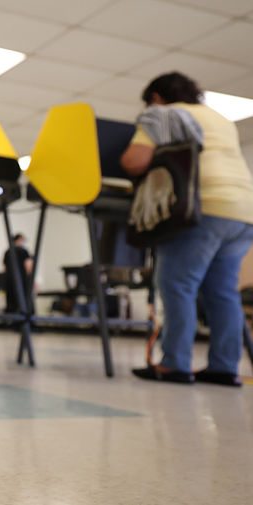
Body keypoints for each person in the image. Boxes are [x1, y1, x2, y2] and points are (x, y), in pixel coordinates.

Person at [121, 72, 253, 386]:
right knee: (222, 291)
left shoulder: (162, 114)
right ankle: (224, 367)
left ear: (155, 97)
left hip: (201, 208)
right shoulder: (220, 118)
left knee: (177, 285)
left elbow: (135, 161)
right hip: (244, 211)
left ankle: (175, 364)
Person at [3, 233, 34, 316]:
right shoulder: (23, 251)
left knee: (11, 303)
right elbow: (28, 266)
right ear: (19, 240)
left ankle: (12, 320)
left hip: (10, 281)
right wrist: (33, 280)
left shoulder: (7, 252)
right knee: (24, 302)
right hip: (22, 281)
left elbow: (5, 268)